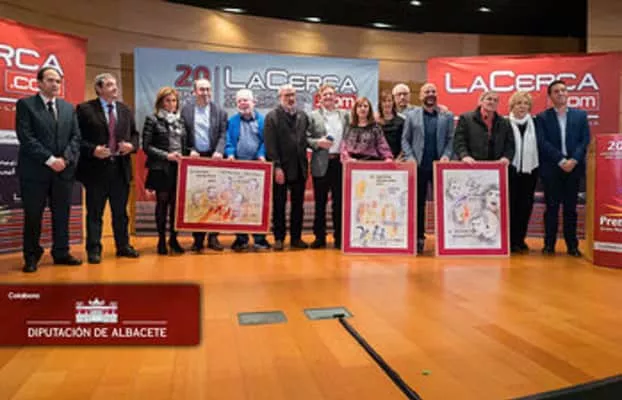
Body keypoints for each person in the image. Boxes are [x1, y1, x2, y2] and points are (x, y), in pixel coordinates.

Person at [15, 66, 82, 273]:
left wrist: (65, 159)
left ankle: (61, 252)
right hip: (35, 172)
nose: (55, 84)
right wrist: (50, 159)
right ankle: (32, 256)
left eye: (58, 81)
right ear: (39, 83)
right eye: (51, 80)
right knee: (33, 215)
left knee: (62, 214)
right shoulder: (26, 105)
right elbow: (26, 137)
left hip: (63, 172)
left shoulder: (68, 108)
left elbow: (76, 137)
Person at [76, 73, 140, 264]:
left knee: (120, 213)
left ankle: (123, 246)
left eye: (115, 84)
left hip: (120, 170)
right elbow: (76, 138)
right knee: (95, 213)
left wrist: (131, 146)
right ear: (99, 88)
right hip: (96, 171)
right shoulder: (85, 109)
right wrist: (93, 150)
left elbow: (135, 135)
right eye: (110, 85)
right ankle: (94, 249)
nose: (115, 88)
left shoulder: (125, 110)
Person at [536, 80, 589, 257]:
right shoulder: (542, 117)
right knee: (551, 208)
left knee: (570, 209)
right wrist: (560, 160)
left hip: (574, 169)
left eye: (563, 90)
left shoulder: (580, 116)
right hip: (552, 168)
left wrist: (573, 160)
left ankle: (572, 246)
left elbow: (584, 140)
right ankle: (549, 245)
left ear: (567, 94)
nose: (561, 93)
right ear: (550, 96)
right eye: (556, 91)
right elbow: (542, 142)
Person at [401, 82, 455, 253]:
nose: (430, 94)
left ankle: (445, 239)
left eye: (433, 91)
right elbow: (405, 139)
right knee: (418, 204)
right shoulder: (411, 115)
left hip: (440, 167)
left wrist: (447, 155)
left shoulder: (447, 115)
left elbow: (451, 139)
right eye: (427, 91)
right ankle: (419, 238)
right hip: (419, 166)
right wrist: (410, 158)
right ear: (420, 96)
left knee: (444, 204)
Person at [142, 86, 195, 255]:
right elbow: (146, 146)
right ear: (160, 102)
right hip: (161, 168)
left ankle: (173, 238)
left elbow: (185, 144)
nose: (171, 104)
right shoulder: (152, 119)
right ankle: (161, 240)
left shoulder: (181, 121)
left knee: (176, 206)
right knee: (162, 204)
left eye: (174, 101)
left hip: (179, 168)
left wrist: (190, 152)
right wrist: (166, 156)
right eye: (168, 101)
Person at [181, 78, 228, 253]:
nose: (206, 93)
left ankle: (214, 237)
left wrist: (219, 151)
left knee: (216, 197)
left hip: (215, 158)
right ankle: (198, 239)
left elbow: (223, 134)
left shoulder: (220, 111)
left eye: (208, 89)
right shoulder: (185, 111)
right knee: (198, 197)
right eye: (202, 90)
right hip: (195, 159)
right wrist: (191, 150)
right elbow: (183, 135)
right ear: (194, 92)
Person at [264, 84, 310, 251]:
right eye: (286, 95)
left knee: (298, 206)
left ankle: (296, 238)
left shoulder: (303, 116)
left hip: (299, 168)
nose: (290, 98)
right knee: (279, 205)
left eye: (292, 95)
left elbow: (307, 140)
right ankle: (279, 238)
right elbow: (270, 145)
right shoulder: (272, 117)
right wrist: (276, 167)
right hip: (281, 169)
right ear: (280, 98)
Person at [224, 89, 271, 251]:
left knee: (257, 204)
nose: (243, 103)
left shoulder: (263, 121)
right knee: (237, 203)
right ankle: (241, 238)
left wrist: (261, 154)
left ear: (253, 102)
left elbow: (266, 141)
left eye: (246, 100)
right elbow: (228, 141)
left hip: (258, 168)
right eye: (240, 101)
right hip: (237, 167)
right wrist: (230, 154)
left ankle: (260, 239)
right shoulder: (232, 121)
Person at [307, 84, 350, 249]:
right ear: (320, 97)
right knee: (320, 203)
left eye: (331, 94)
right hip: (320, 163)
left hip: (340, 163)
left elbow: (351, 135)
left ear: (336, 97)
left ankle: (340, 237)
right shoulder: (313, 116)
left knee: (339, 203)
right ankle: (319, 237)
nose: (328, 97)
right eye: (325, 94)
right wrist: (318, 143)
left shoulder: (345, 115)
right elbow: (305, 138)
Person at [507, 91, 539, 254]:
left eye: (526, 103)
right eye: (519, 103)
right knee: (510, 206)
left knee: (525, 206)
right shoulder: (504, 123)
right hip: (510, 170)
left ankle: (520, 239)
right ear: (512, 106)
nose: (522, 106)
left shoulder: (536, 124)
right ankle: (509, 240)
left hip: (530, 170)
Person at [453, 91, 514, 164]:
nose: (492, 102)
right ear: (481, 102)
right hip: (471, 164)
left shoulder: (504, 122)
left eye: (495, 100)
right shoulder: (466, 119)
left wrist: (506, 157)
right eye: (489, 99)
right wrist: (464, 156)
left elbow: (510, 144)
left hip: (497, 165)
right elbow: (459, 141)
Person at [340, 97, 393, 162]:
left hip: (370, 163)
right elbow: (344, 147)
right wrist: (347, 158)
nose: (363, 108)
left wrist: (388, 157)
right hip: (352, 162)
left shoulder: (375, 127)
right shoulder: (349, 127)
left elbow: (382, 144)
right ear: (355, 109)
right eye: (360, 106)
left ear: (369, 110)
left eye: (365, 106)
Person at [376, 90, 404, 159]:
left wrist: (398, 159)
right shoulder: (375, 122)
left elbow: (405, 143)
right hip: (378, 160)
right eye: (384, 101)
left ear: (393, 102)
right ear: (380, 103)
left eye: (389, 101)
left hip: (396, 159)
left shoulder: (401, 121)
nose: (387, 103)